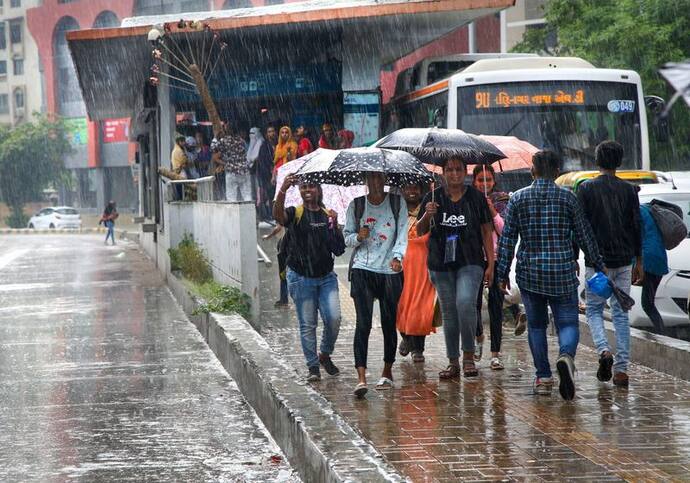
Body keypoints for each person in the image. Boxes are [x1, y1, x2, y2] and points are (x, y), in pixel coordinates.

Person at [497, 150, 604, 401]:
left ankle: (543, 377)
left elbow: (507, 240)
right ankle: (566, 355)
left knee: (536, 325)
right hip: (562, 272)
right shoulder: (568, 198)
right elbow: (584, 234)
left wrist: (502, 272)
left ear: (533, 171)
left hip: (530, 273)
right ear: (557, 172)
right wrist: (596, 262)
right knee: (567, 323)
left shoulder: (518, 199)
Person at [417, 157, 494, 380]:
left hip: (471, 261)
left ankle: (468, 356)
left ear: (465, 171)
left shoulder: (476, 198)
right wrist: (427, 215)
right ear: (442, 173)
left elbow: (487, 231)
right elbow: (420, 231)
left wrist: (491, 263)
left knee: (465, 303)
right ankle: (453, 362)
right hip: (440, 263)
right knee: (449, 311)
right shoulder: (433, 197)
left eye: (458, 169)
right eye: (449, 170)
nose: (454, 174)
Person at [578, 141, 643, 388]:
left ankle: (604, 350)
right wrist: (639, 260)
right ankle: (622, 369)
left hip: (597, 264)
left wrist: (586, 256)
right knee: (620, 314)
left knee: (594, 310)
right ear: (619, 162)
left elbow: (581, 228)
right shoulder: (629, 190)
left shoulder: (585, 189)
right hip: (624, 261)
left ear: (597, 161)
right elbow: (637, 226)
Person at [274, 174, 345, 382]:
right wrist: (282, 191)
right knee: (308, 324)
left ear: (319, 190)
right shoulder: (295, 213)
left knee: (334, 318)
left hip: (326, 277)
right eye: (304, 186)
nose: (308, 190)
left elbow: (339, 250)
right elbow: (278, 217)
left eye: (312, 186)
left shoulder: (326, 215)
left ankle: (324, 353)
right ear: (300, 190)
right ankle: (313, 366)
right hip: (300, 277)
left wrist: (335, 224)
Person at [344, 172, 408, 397]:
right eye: (370, 178)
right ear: (365, 181)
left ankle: (387, 371)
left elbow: (402, 235)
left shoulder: (397, 203)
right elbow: (347, 237)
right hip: (363, 269)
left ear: (385, 179)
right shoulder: (357, 205)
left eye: (378, 178)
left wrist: (398, 257)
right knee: (363, 323)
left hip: (389, 271)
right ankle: (361, 378)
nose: (374, 183)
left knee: (389, 322)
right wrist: (359, 237)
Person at [471, 164, 525, 371]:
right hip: (474, 258)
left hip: (497, 258)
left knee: (495, 305)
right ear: (474, 181)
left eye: (488, 180)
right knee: (473, 304)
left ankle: (495, 353)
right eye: (480, 180)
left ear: (494, 181)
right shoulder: (468, 200)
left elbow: (505, 230)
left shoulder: (503, 201)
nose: (484, 184)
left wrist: (491, 210)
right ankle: (478, 337)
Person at [396, 182, 437, 363]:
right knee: (401, 304)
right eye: (408, 187)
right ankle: (406, 337)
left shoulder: (430, 209)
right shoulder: (395, 210)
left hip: (422, 262)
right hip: (400, 262)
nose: (412, 191)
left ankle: (418, 348)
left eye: (416, 187)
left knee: (421, 305)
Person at [639, 201, 670, 336]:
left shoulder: (636, 212)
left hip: (648, 260)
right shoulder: (647, 209)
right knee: (649, 302)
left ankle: (662, 334)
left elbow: (637, 238)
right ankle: (661, 332)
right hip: (659, 258)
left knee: (647, 304)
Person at [211, 123, 251, 202]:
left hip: (231, 172)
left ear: (227, 130)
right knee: (247, 195)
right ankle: (249, 212)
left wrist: (215, 137)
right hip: (244, 170)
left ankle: (233, 213)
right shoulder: (241, 140)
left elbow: (213, 148)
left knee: (231, 196)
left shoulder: (224, 141)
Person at [247, 127, 274, 222]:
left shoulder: (261, 143)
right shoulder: (255, 144)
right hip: (258, 173)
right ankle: (263, 215)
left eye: (253, 133)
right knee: (259, 195)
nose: (252, 136)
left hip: (265, 174)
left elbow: (256, 158)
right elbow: (250, 157)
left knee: (266, 195)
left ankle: (268, 215)